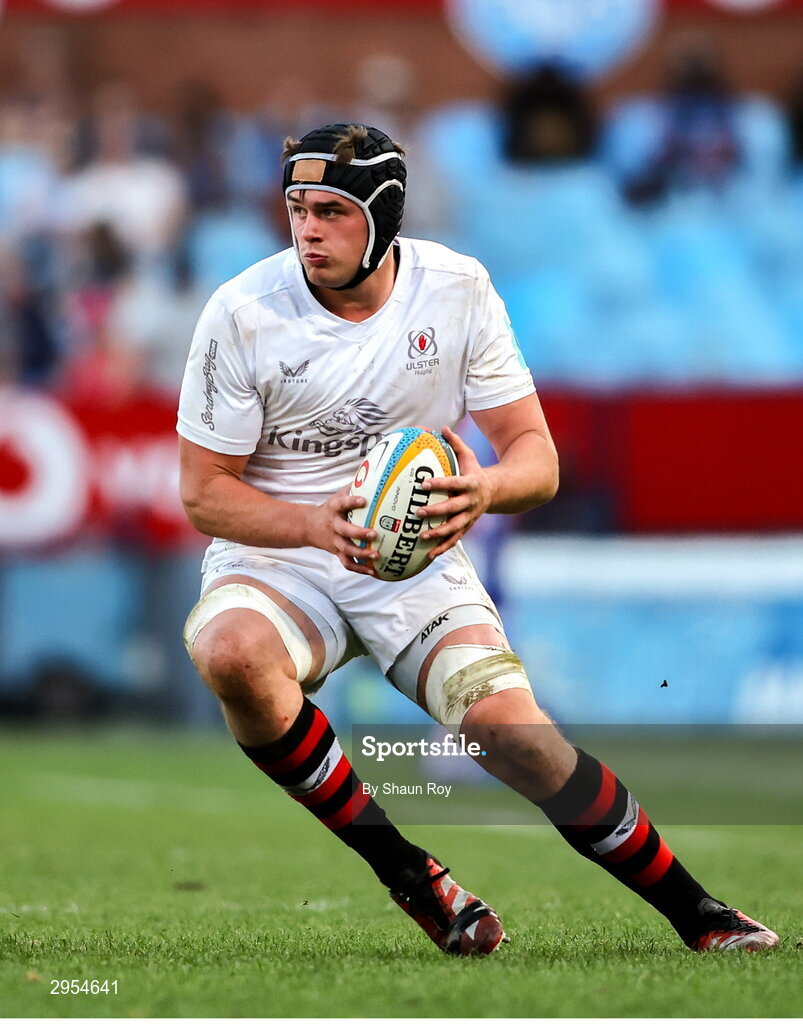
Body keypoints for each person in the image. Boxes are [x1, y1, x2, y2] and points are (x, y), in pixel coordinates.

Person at [176, 123, 778, 956]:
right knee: (232, 653)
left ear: (383, 218)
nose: (307, 230)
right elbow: (204, 492)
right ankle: (412, 877)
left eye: (331, 212)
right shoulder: (242, 311)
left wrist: (486, 489)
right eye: (297, 209)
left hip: (415, 563)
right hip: (282, 554)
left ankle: (699, 913)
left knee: (515, 739)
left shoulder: (456, 289)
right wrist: (314, 523)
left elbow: (537, 458)